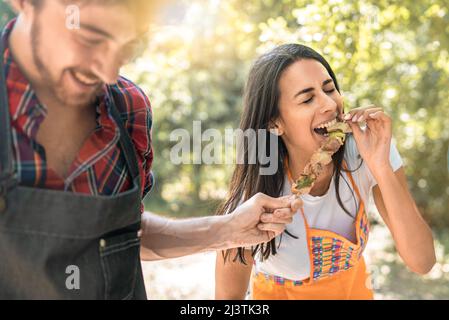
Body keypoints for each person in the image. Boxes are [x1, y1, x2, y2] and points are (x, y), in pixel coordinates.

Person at [0, 0, 301, 299]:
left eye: (127, 47)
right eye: (90, 37)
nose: (107, 72)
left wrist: (228, 230)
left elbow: (127, 233)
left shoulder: (128, 107)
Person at [215, 44, 436, 300]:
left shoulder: (368, 151)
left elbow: (423, 262)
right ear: (274, 123)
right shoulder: (253, 197)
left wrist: (381, 167)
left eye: (329, 89)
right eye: (308, 99)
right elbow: (226, 298)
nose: (330, 103)